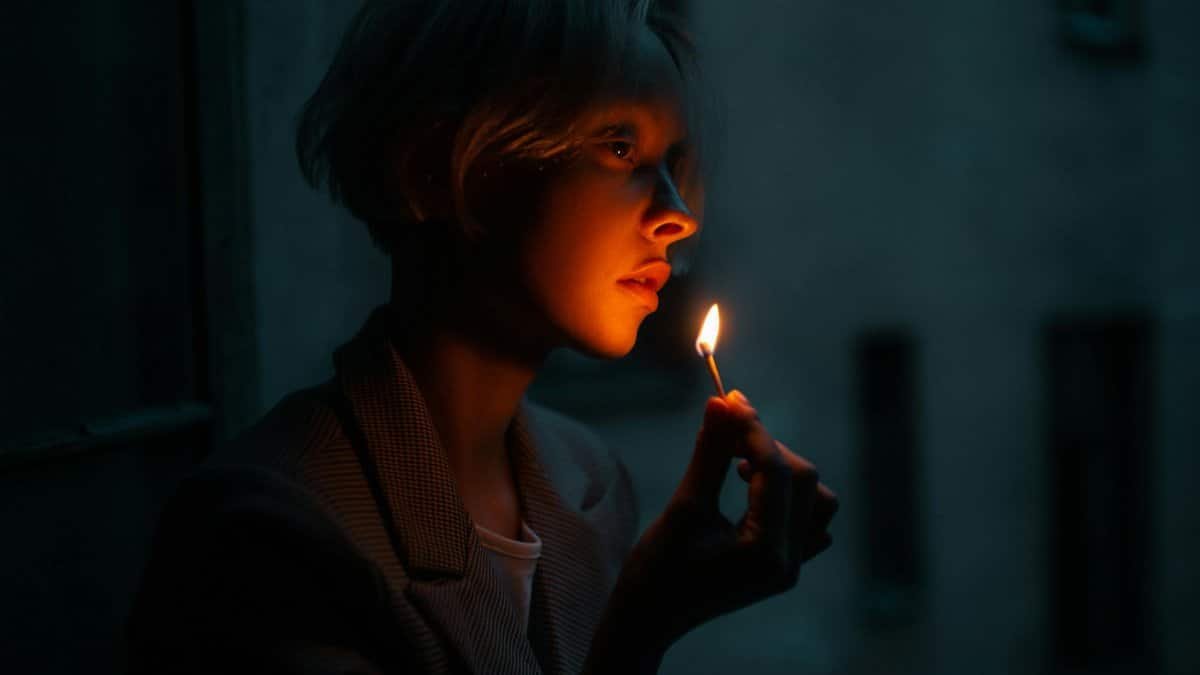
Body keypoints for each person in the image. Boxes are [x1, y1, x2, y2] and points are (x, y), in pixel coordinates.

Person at [126, 1, 839, 673]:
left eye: (673, 164)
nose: (678, 215)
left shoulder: (591, 481)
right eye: (620, 146)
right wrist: (646, 621)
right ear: (433, 169)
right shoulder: (268, 536)